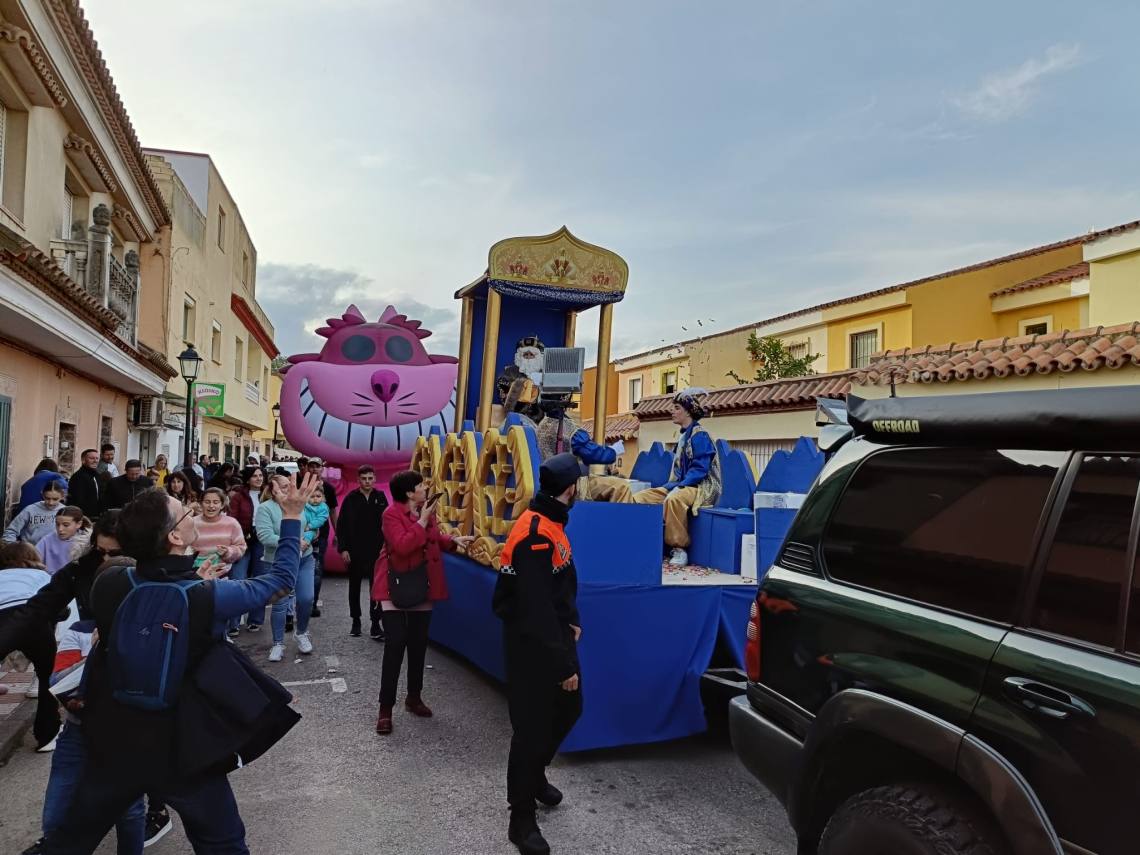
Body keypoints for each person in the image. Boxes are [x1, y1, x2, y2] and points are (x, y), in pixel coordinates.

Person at [38, 476, 316, 854]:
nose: (193, 510)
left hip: (116, 743)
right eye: (185, 511)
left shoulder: (111, 583)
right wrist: (292, 515)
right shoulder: (208, 595)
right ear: (174, 536)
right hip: (185, 749)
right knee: (223, 843)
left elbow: (147, 597)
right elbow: (281, 580)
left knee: (72, 839)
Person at [18, 512, 146, 855]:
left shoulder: (151, 583)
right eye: (100, 552)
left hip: (127, 718)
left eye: (114, 553)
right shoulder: (79, 576)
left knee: (129, 809)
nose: (106, 560)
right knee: (58, 807)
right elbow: (37, 611)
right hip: (80, 716)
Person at [492, 453, 586, 855]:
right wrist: (562, 663)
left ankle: (534, 776)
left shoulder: (550, 521)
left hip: (554, 634)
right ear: (571, 489)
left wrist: (572, 620)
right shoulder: (535, 534)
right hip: (533, 643)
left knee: (570, 709)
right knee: (531, 729)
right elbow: (534, 608)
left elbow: (559, 584)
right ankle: (521, 818)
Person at [373, 471, 473, 735]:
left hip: (422, 583)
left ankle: (414, 697)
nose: (425, 488)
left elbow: (432, 538)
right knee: (395, 644)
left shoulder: (425, 510)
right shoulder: (391, 514)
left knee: (418, 644)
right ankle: (385, 709)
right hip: (394, 584)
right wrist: (422, 520)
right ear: (409, 492)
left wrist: (452, 541)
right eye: (420, 485)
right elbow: (402, 546)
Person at [632, 389, 722, 567]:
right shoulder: (683, 437)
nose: (672, 411)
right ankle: (642, 541)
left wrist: (680, 486)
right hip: (681, 485)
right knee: (640, 498)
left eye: (677, 408)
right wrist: (670, 486)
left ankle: (679, 548)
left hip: (700, 487)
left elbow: (700, 469)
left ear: (688, 412)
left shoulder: (700, 435)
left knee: (673, 499)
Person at [0, 542, 58, 751]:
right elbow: (57, 607)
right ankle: (47, 735)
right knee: (48, 676)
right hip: (33, 619)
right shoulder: (42, 576)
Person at [255, 475, 316, 660]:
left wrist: (308, 538)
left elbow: (313, 526)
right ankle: (278, 643)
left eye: (289, 485)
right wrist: (294, 542)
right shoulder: (265, 508)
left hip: (304, 558)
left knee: (306, 599)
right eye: (283, 486)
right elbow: (265, 536)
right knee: (280, 604)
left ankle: (302, 632)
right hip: (277, 562)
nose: (288, 489)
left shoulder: (301, 504)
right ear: (272, 489)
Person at [336, 464, 388, 639]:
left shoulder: (380, 497)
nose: (367, 481)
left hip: (376, 550)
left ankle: (375, 623)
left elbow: (387, 524)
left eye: (370, 478)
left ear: (375, 479)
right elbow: (342, 525)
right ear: (358, 480)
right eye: (364, 478)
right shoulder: (350, 499)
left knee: (376, 587)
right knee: (354, 586)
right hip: (354, 550)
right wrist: (343, 549)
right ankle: (356, 621)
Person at [297, 458, 338, 618]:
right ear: (307, 468)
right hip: (300, 533)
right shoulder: (300, 486)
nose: (314, 469)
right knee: (298, 568)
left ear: (322, 469)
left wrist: (338, 533)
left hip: (321, 535)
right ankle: (297, 603)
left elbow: (333, 511)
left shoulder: (328, 488)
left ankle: (312, 604)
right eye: (311, 466)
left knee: (317, 569)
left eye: (317, 466)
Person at [228, 467, 265, 633]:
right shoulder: (238, 496)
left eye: (261, 475)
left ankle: (256, 619)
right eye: (255, 476)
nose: (258, 478)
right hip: (242, 539)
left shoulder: (268, 494)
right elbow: (232, 518)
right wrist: (238, 536)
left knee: (260, 579)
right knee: (238, 579)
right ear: (248, 479)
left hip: (262, 539)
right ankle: (233, 622)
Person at [36, 507, 91, 575]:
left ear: (79, 524)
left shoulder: (87, 542)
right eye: (57, 524)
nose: (60, 529)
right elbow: (33, 560)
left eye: (66, 525)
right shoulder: (47, 539)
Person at [67, 449, 102, 521]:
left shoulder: (97, 475)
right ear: (83, 460)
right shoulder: (78, 477)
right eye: (92, 458)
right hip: (83, 517)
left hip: (96, 517)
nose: (95, 461)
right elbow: (78, 500)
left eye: (97, 458)